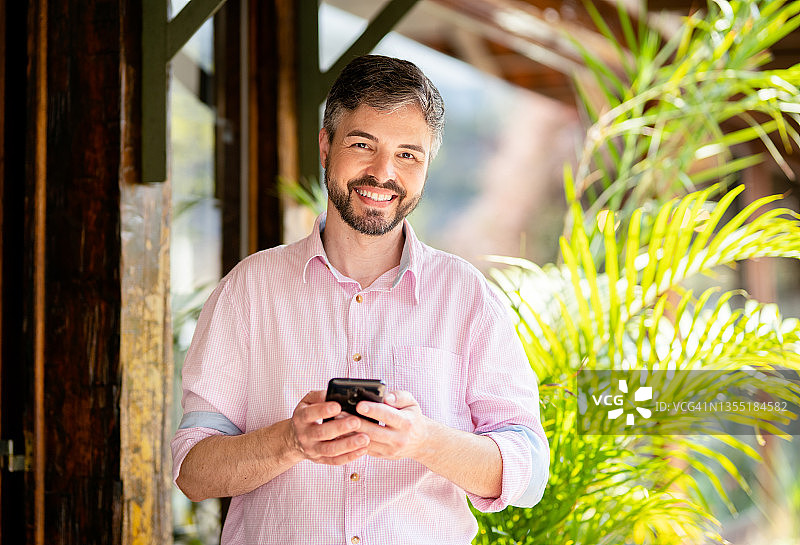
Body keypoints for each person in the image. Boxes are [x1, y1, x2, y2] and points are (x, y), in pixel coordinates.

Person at [171, 54, 549, 545]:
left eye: (408, 154)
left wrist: (423, 440)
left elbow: (529, 471)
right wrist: (290, 440)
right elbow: (192, 470)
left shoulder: (467, 297)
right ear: (326, 146)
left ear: (427, 165)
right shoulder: (249, 288)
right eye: (362, 144)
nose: (382, 173)